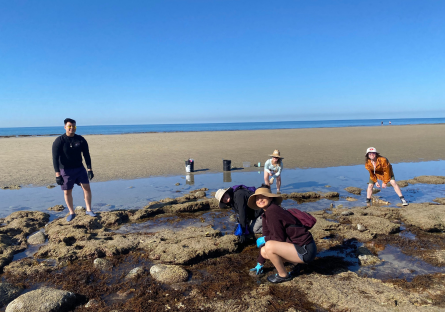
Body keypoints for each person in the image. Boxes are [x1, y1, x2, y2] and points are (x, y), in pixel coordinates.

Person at [247, 187, 317, 283]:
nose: (260, 200)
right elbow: (266, 235)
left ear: (270, 198)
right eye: (257, 198)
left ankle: (283, 275)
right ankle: (297, 263)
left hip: (305, 250)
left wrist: (265, 239)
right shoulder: (266, 213)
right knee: (264, 251)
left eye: (263, 197)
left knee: (269, 246)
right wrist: (260, 262)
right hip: (298, 247)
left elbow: (278, 238)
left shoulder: (272, 211)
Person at [52, 118, 97, 221]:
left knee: (87, 188)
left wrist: (89, 169)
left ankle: (89, 209)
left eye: (73, 126)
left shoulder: (80, 139)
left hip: (80, 169)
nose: (72, 128)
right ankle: (72, 212)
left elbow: (86, 155)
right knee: (67, 192)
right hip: (66, 170)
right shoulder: (59, 141)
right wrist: (57, 174)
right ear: (65, 127)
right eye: (69, 126)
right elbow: (54, 158)